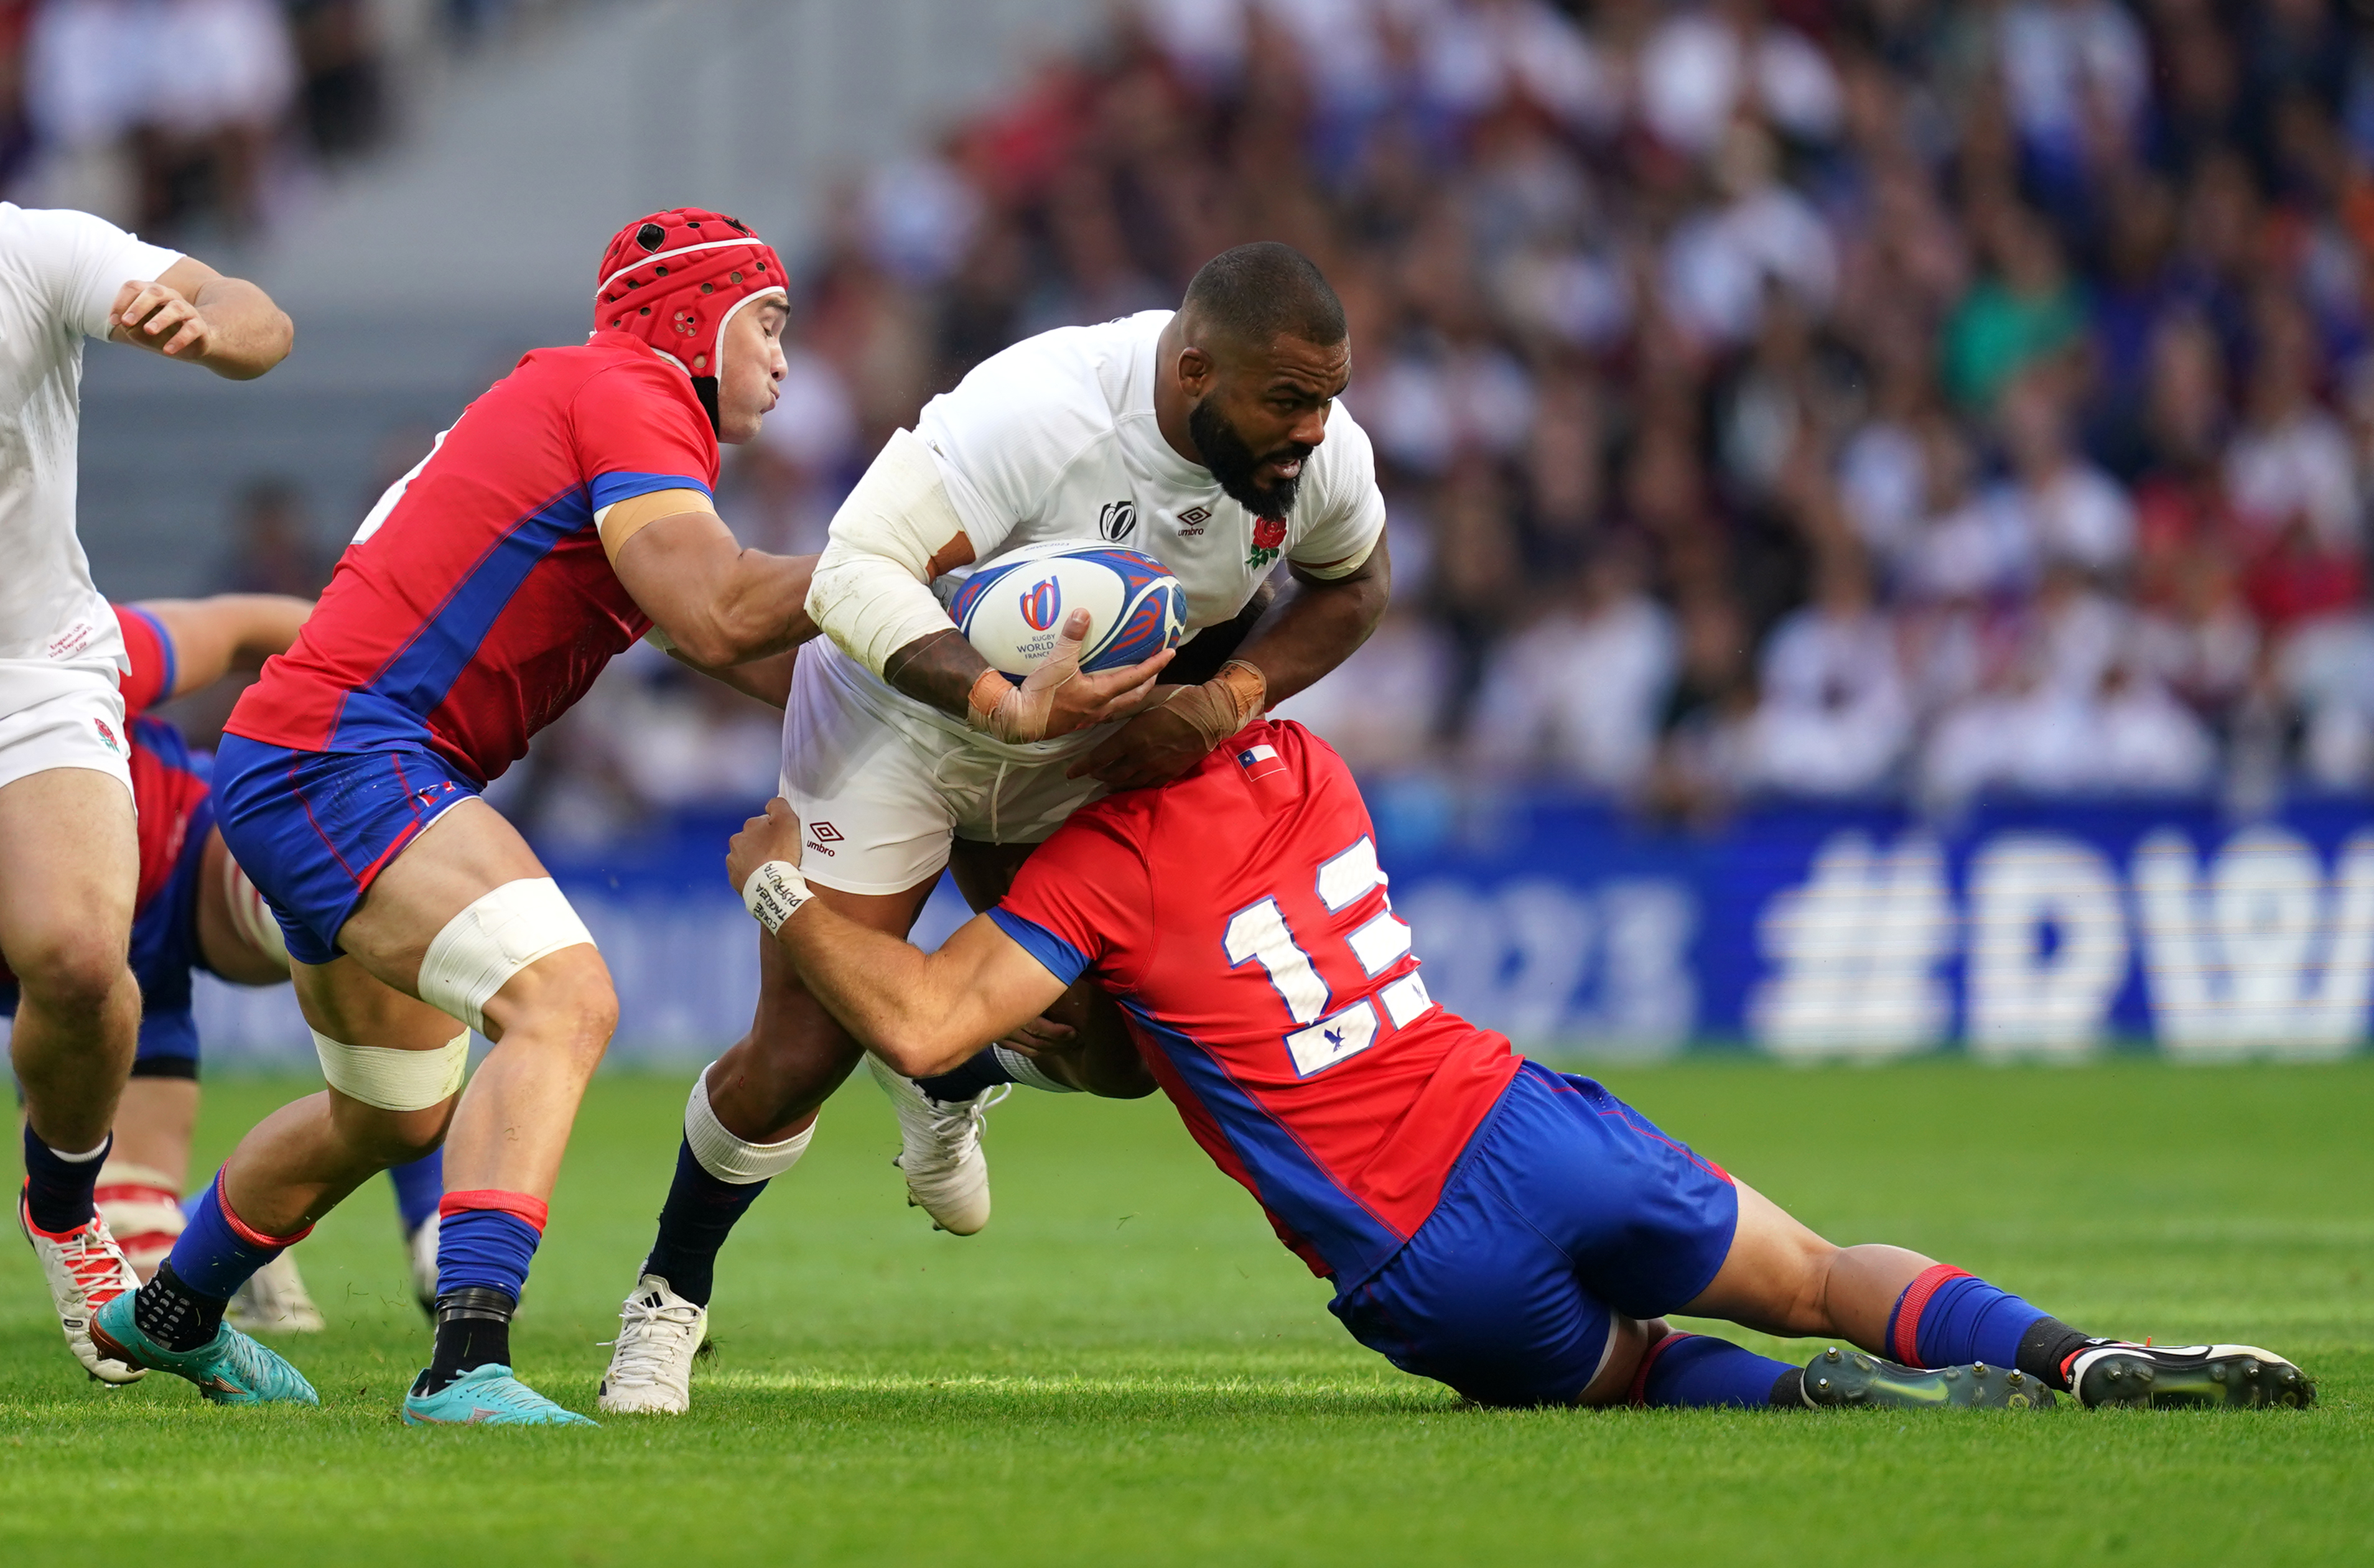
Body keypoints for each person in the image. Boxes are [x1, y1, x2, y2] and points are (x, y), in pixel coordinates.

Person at [701, 669, 2315, 1419]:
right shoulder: (1306, 768)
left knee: (1648, 1372)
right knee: (1821, 1271)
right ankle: (2075, 1356)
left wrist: (783, 877)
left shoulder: (1097, 874)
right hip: (1513, 1122)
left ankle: (1846, 1414)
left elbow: (917, 1015)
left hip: (1409, 1252)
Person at [598, 241, 1392, 1414]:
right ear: (1190, 373)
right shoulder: (1039, 410)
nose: (1313, 431)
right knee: (799, 1060)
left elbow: (1357, 584)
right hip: (901, 722)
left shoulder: (1318, 456)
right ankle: (669, 1295)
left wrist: (1227, 699)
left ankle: (954, 1061)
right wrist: (993, 700)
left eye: (1327, 398)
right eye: (1285, 401)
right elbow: (855, 572)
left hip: (1085, 747)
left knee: (1125, 1050)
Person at [91, 208, 816, 1427]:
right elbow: (721, 613)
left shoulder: (600, 407)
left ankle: (167, 1315)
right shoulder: (634, 390)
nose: (786, 358)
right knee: (566, 998)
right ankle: (463, 1363)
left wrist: (953, 688)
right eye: (770, 323)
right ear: (697, 320)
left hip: (318, 759)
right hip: (351, 759)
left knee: (390, 1111)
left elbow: (749, 653)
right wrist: (911, 571)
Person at [4, 204, 292, 1385]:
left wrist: (205, 325)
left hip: (30, 667)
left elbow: (259, 316)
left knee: (80, 956)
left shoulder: (29, 249)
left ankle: (68, 1210)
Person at [2, 595, 440, 1334]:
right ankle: (233, 1227)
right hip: (72, 992)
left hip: (184, 853)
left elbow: (242, 626)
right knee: (134, 1289)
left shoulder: (57, 645)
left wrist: (397, 684)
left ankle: (436, 1222)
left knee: (365, 892)